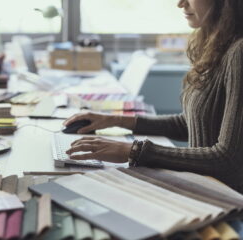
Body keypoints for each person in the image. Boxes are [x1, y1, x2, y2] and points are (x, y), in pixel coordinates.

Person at [64, 0, 243, 193]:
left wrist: (132, 151)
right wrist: (113, 120)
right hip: (205, 186)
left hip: (227, 198)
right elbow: (188, 124)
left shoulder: (238, 52)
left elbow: (227, 159)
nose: (180, 3)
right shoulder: (216, 44)